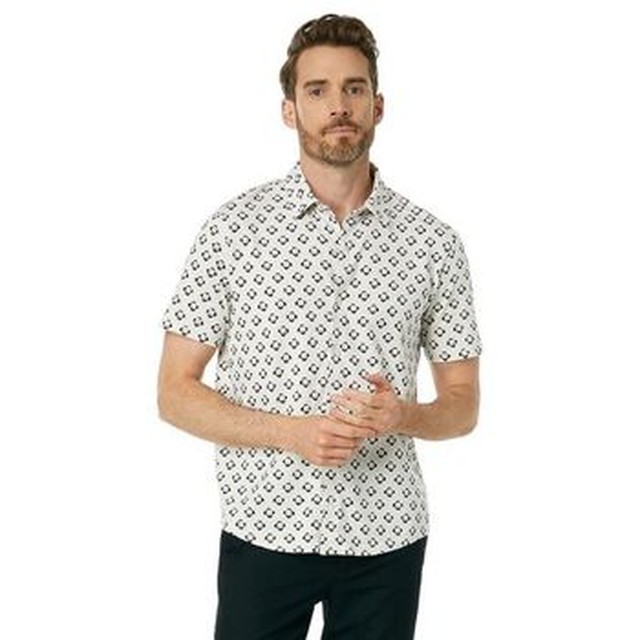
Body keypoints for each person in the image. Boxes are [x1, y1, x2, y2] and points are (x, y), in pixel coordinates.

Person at [157, 13, 482, 640]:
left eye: (354, 88)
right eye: (318, 90)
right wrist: (291, 433)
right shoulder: (232, 231)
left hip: (388, 538)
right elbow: (174, 392)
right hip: (264, 530)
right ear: (289, 110)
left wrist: (402, 415)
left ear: (378, 105)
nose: (339, 105)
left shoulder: (434, 243)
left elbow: (464, 406)